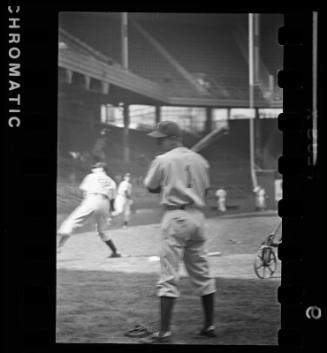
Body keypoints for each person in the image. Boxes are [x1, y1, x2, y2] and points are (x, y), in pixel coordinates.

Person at [141, 121, 216, 344]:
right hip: (197, 218)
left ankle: (164, 333)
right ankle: (209, 326)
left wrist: (170, 179)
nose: (157, 142)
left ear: (173, 139)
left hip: (175, 217)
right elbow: (205, 190)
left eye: (160, 139)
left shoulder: (162, 160)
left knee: (168, 275)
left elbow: (151, 187)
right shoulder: (201, 160)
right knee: (202, 272)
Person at [57, 162, 122, 258]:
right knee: (102, 231)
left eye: (95, 167)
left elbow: (83, 192)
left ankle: (59, 246)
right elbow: (112, 199)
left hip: (92, 199)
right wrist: (111, 212)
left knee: (72, 222)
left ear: (101, 168)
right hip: (105, 203)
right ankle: (115, 252)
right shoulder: (111, 181)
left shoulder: (91, 176)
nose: (93, 169)